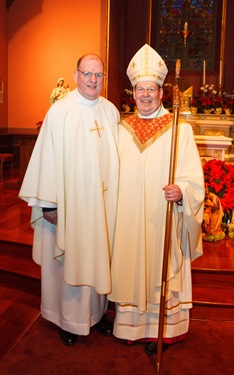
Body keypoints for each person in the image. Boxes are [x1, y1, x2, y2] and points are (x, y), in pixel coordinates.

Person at [108, 44, 205, 355]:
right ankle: (129, 325)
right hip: (128, 219)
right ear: (132, 93)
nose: (146, 95)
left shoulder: (180, 129)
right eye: (140, 89)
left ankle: (162, 330)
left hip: (163, 218)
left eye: (151, 89)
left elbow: (193, 178)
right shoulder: (121, 129)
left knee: (160, 270)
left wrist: (181, 192)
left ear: (162, 93)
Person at [19, 54, 120, 345]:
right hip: (68, 208)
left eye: (98, 75)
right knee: (67, 260)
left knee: (97, 256)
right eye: (87, 73)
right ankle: (66, 319)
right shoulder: (60, 112)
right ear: (76, 75)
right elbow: (47, 158)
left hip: (100, 208)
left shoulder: (111, 112)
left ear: (103, 79)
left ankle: (97, 315)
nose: (92, 80)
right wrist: (49, 203)